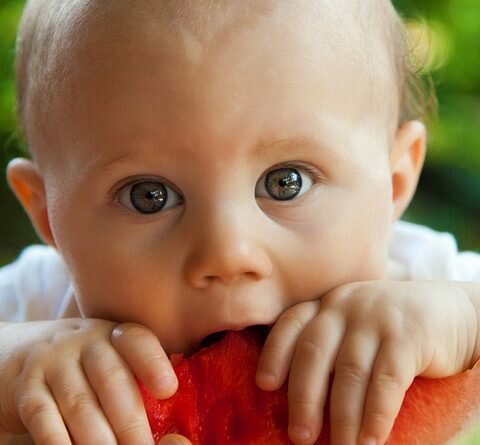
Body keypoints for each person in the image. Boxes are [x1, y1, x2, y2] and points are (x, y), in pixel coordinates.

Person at [1, 0, 479, 444]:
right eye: (149, 196)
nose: (227, 254)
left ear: (392, 182)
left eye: (285, 182)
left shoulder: (423, 280)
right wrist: (16, 367)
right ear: (48, 214)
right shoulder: (43, 307)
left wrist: (465, 322)